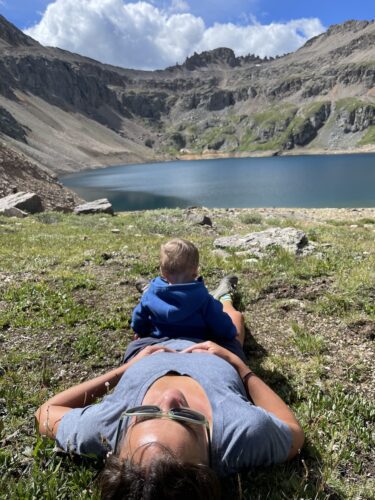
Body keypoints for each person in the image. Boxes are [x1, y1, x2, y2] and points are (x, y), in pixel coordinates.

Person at [35, 300, 304, 500]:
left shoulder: (105, 430)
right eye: (186, 418)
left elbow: (46, 413)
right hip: (216, 345)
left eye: (146, 412)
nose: (170, 397)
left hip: (152, 342)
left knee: (157, 312)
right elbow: (293, 432)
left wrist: (122, 372)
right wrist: (240, 368)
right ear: (205, 464)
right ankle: (224, 297)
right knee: (233, 318)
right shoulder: (243, 434)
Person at [131, 238, 240, 342]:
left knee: (151, 291)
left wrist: (141, 331)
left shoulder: (150, 296)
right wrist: (230, 332)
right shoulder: (203, 299)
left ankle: (148, 287)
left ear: (162, 272)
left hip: (159, 338)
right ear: (195, 271)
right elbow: (219, 322)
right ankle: (224, 294)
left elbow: (139, 317)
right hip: (196, 341)